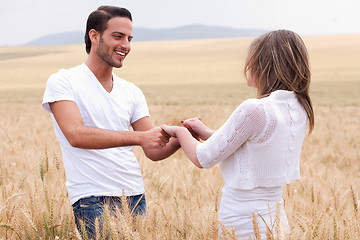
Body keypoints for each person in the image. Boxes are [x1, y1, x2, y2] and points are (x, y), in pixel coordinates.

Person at [42, 6, 180, 238]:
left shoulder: (132, 91)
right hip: (92, 199)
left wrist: (182, 137)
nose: (126, 45)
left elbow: (153, 149)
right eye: (118, 36)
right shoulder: (63, 81)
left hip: (135, 197)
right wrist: (139, 137)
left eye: (129, 38)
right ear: (94, 36)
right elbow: (75, 135)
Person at [161, 29, 314, 239]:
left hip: (243, 221)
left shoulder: (255, 109)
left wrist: (177, 131)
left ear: (263, 65)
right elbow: (254, 146)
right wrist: (206, 132)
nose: (247, 65)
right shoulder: (298, 107)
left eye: (251, 59)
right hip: (276, 220)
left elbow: (203, 157)